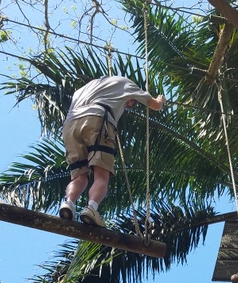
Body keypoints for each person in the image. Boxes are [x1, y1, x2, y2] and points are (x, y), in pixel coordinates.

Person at [59, 76, 165, 227]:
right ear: (130, 99)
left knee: (79, 176)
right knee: (102, 174)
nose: (128, 105)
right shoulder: (125, 83)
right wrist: (161, 100)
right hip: (97, 118)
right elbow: (155, 105)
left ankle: (68, 203)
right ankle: (91, 208)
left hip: (70, 125)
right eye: (129, 103)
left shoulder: (83, 89)